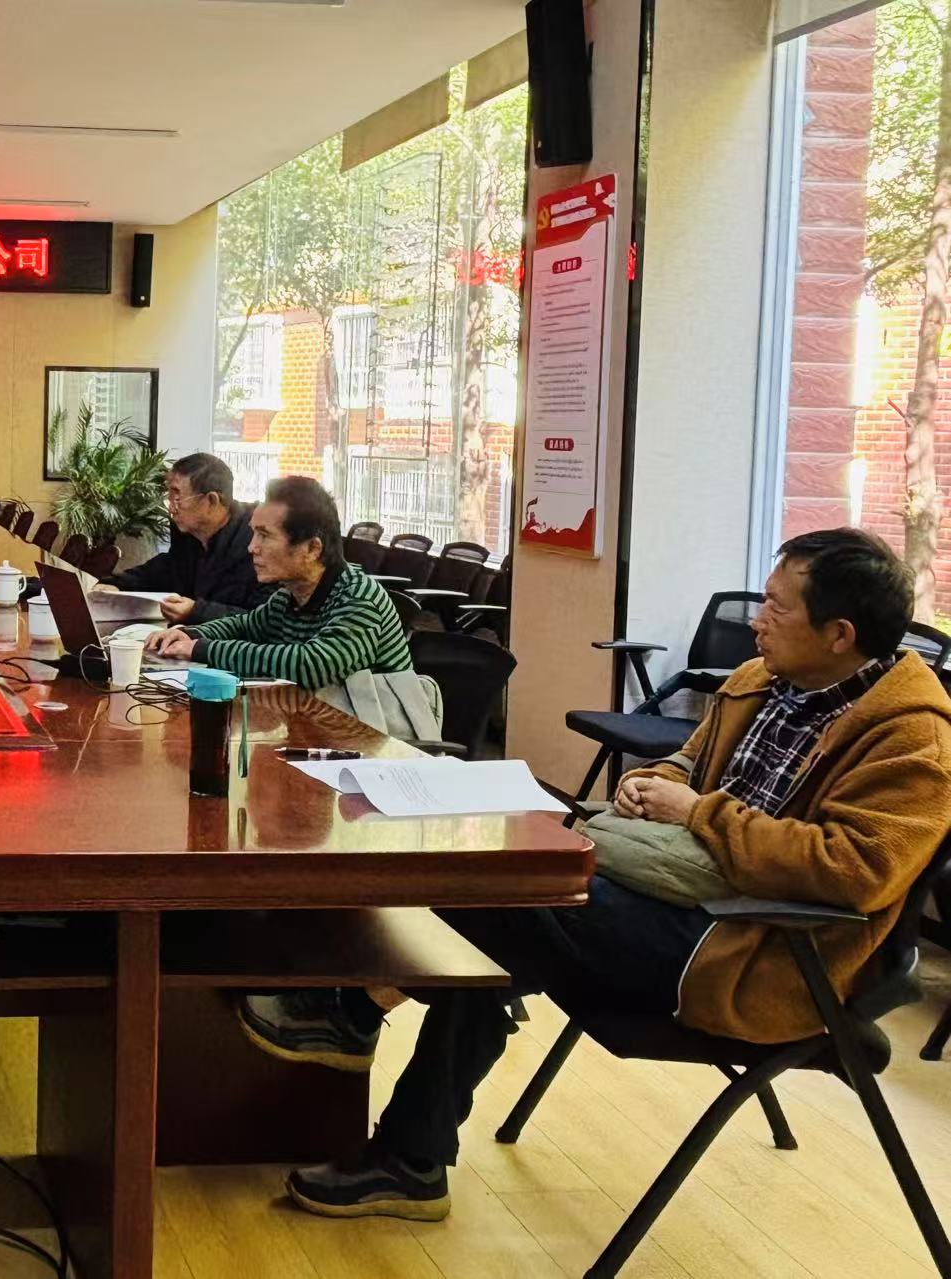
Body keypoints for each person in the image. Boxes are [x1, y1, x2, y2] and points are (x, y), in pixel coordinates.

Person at [267, 528, 951, 1223]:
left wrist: (698, 812)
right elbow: (687, 762)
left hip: (756, 947)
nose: (757, 621)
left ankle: (359, 1025)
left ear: (838, 634)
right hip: (674, 888)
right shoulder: (761, 679)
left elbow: (852, 870)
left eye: (776, 607)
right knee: (504, 905)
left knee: (508, 900)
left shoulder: (911, 738)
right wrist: (652, 782)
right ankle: (402, 1141)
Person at [142, 475, 412, 690]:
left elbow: (312, 665)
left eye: (265, 536)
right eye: (253, 534)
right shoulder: (288, 597)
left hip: (377, 736)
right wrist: (191, 634)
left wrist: (203, 649)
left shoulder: (360, 598)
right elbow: (245, 626)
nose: (252, 547)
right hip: (318, 730)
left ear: (312, 548)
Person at [94, 452, 265, 623]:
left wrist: (196, 612)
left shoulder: (258, 540)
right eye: (169, 497)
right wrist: (117, 585)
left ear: (211, 501)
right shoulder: (188, 534)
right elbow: (163, 570)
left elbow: (263, 620)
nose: (171, 508)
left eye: (177, 497)